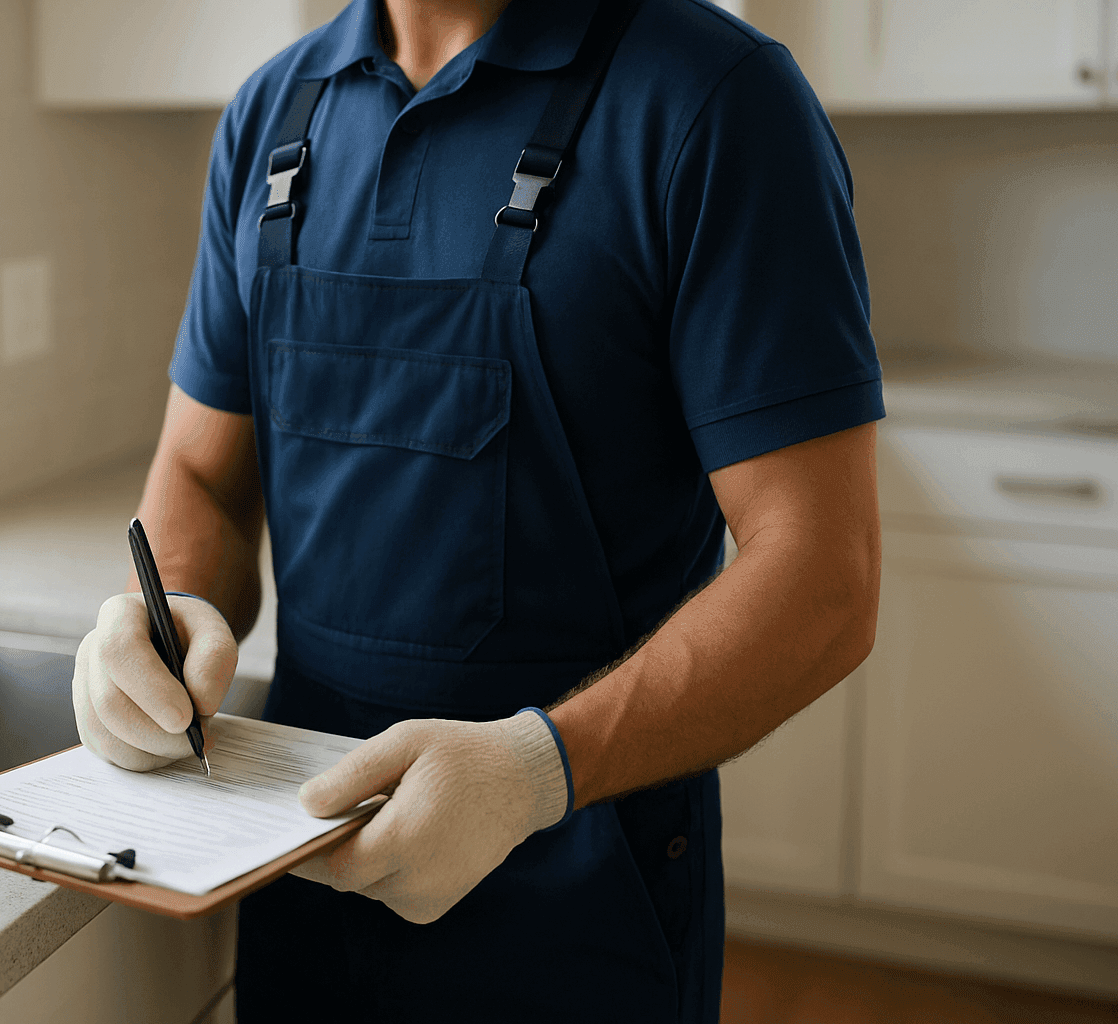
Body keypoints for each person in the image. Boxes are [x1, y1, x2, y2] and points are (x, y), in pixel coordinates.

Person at [71, 0, 883, 1020]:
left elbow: (823, 576)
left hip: (580, 899)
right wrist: (169, 616)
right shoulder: (273, 112)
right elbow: (200, 474)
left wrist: (530, 773)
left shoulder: (715, 100)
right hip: (301, 879)